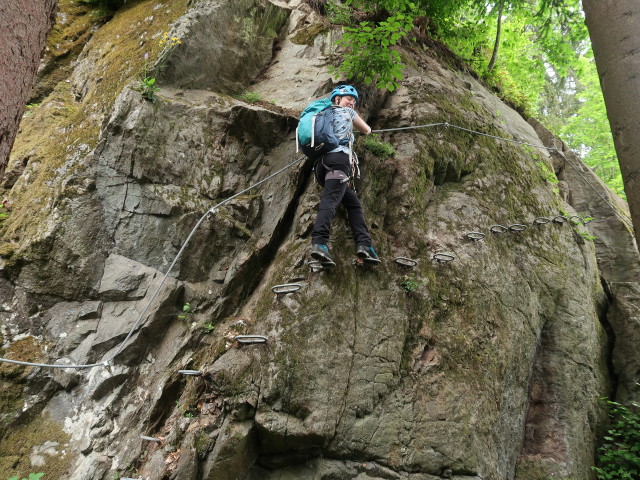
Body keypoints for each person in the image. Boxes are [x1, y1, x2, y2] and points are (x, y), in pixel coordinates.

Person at [310, 85, 381, 267]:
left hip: (321, 165)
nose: (351, 102)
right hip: (339, 160)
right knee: (330, 200)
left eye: (353, 101)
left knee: (353, 204)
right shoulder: (347, 113)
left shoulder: (322, 114)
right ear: (337, 100)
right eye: (348, 98)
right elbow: (366, 130)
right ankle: (319, 243)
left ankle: (365, 245)